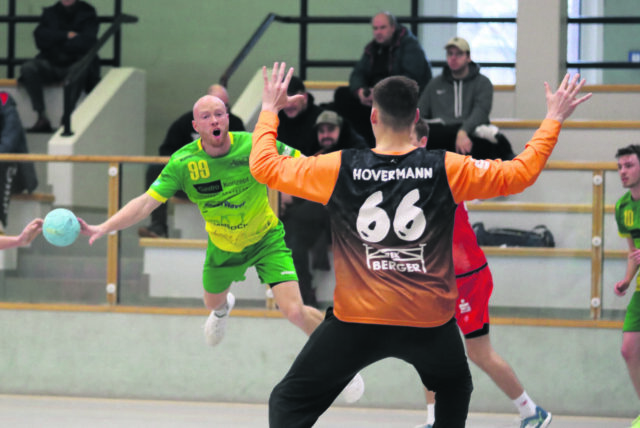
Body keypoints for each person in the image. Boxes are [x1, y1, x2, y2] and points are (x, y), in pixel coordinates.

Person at [249, 62, 590, 428]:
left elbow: (263, 166)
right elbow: (521, 173)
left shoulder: (338, 167)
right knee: (455, 387)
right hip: (429, 324)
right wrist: (553, 118)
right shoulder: (448, 168)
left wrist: (269, 110)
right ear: (415, 117)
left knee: (287, 401)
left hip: (357, 322)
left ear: (374, 116)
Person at [78, 92, 364, 403]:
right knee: (212, 301)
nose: (214, 120)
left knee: (295, 310)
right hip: (223, 246)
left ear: (227, 119)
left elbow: (305, 164)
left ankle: (343, 366)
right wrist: (105, 226)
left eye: (219, 114)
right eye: (206, 116)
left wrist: (345, 183)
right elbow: (146, 203)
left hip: (266, 240)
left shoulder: (254, 145)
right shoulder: (183, 163)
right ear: (196, 126)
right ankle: (223, 308)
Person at [410, 118, 551, 428]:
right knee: (427, 347)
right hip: (436, 277)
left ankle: (532, 411)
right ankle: (434, 419)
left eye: (406, 140)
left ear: (422, 143)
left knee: (478, 352)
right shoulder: (400, 178)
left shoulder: (445, 171)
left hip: (467, 277)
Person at [280, 110, 368, 307]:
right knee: (293, 238)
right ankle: (304, 294)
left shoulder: (357, 153)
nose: (325, 135)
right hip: (317, 218)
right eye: (321, 131)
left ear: (341, 130)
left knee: (294, 218)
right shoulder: (316, 154)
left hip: (347, 217)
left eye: (331, 129)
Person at [138, 84, 245, 238]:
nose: (215, 119)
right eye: (210, 112)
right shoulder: (185, 123)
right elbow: (166, 152)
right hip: (190, 181)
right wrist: (188, 164)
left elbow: (243, 156)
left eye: (223, 109)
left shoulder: (235, 125)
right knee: (156, 169)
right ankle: (158, 226)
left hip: (222, 184)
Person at [333, 11, 432, 147]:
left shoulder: (410, 46)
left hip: (399, 96)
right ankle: (361, 146)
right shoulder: (372, 48)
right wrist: (361, 91)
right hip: (376, 97)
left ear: (393, 27)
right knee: (342, 95)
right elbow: (357, 73)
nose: (378, 32)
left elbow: (411, 79)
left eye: (382, 28)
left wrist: (381, 92)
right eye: (375, 28)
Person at [417, 36, 514, 160]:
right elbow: (420, 113)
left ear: (468, 57)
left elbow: (481, 112)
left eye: (459, 54)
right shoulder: (435, 84)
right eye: (450, 54)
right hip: (442, 135)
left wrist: (463, 131)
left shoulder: (483, 82)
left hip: (472, 132)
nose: (453, 58)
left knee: (495, 141)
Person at [19, 0, 100, 133]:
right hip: (52, 62)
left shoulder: (87, 13)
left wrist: (55, 41)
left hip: (75, 62)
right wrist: (66, 35)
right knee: (29, 68)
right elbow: (39, 38)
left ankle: (67, 116)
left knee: (80, 69)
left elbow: (87, 42)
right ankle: (41, 116)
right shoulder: (50, 12)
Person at [613, 144, 640, 428]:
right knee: (629, 349)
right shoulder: (623, 207)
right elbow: (634, 252)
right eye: (620, 167)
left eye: (629, 165)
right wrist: (627, 280)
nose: (623, 171)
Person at [0, 92, 39, 233]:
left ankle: (0, 224)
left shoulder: (3, 99)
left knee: (2, 162)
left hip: (13, 168)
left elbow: (9, 140)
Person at [276, 75, 324, 156]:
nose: (288, 105)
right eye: (284, 100)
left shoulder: (322, 119)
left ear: (304, 97)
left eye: (292, 100)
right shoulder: (275, 120)